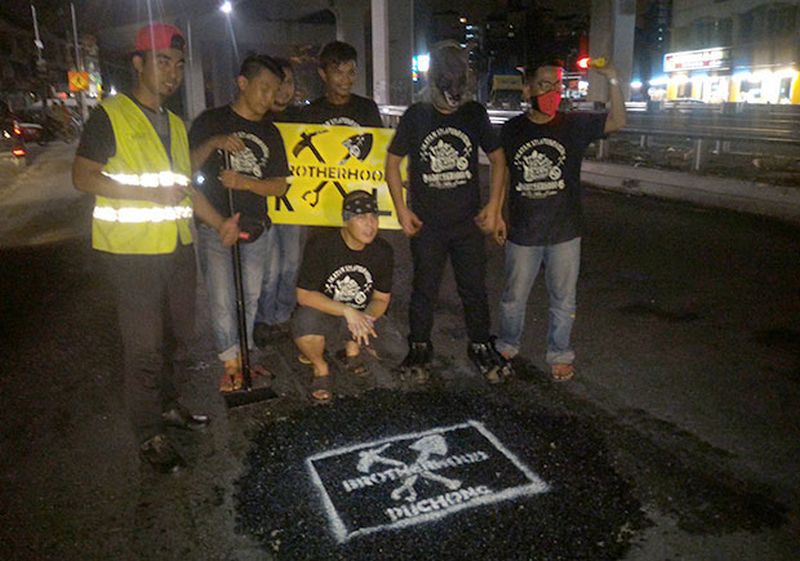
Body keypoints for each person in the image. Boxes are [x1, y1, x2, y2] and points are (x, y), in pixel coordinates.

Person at [72, 23, 239, 473]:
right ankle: (149, 434)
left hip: (177, 249)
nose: (173, 73)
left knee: (177, 338)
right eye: (163, 62)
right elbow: (82, 176)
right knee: (144, 348)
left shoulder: (177, 125)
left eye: (179, 64)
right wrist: (148, 195)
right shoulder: (111, 116)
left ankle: (168, 405)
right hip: (132, 254)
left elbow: (184, 189)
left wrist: (219, 223)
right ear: (138, 64)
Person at [492, 57, 626, 381]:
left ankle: (559, 353)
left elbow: (618, 120)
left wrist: (612, 78)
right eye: (544, 85)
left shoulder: (574, 124)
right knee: (513, 298)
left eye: (557, 85)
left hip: (565, 231)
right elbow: (502, 173)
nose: (552, 92)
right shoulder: (512, 130)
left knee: (564, 300)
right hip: (523, 231)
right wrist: (495, 213)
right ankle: (508, 344)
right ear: (528, 90)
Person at [385, 42, 510, 384]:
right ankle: (419, 345)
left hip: (467, 222)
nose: (452, 100)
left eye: (458, 90)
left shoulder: (473, 114)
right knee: (424, 289)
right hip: (428, 224)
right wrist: (401, 209)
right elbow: (392, 163)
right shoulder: (416, 115)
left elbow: (498, 159)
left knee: (474, 288)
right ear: (433, 82)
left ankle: (480, 343)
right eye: (446, 91)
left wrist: (495, 206)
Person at [189, 54, 290, 393]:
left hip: (256, 228)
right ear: (243, 83)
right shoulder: (210, 121)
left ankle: (245, 357)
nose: (269, 97)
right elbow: (184, 166)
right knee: (221, 299)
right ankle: (230, 365)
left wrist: (244, 182)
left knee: (249, 296)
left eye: (274, 90)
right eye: (264, 88)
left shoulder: (270, 132)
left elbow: (279, 186)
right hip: (216, 227)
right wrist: (214, 143)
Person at [293, 190, 394, 403]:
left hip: (361, 314)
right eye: (361, 218)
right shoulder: (321, 245)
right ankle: (320, 368)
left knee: (396, 350)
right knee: (304, 324)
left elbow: (381, 299)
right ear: (346, 220)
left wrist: (366, 319)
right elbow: (304, 295)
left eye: (373, 217)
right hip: (326, 313)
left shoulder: (383, 250)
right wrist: (348, 311)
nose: (370, 225)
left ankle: (352, 351)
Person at [253, 58, 305, 347]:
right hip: (264, 207)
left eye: (289, 82)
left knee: (291, 263)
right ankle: (264, 318)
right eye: (279, 83)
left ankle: (283, 315)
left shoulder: (303, 118)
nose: (284, 89)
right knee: (269, 267)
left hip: (295, 205)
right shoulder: (257, 119)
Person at [301, 41, 383, 128]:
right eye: (338, 73)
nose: (346, 79)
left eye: (351, 72)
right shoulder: (310, 113)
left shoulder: (367, 109)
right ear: (323, 74)